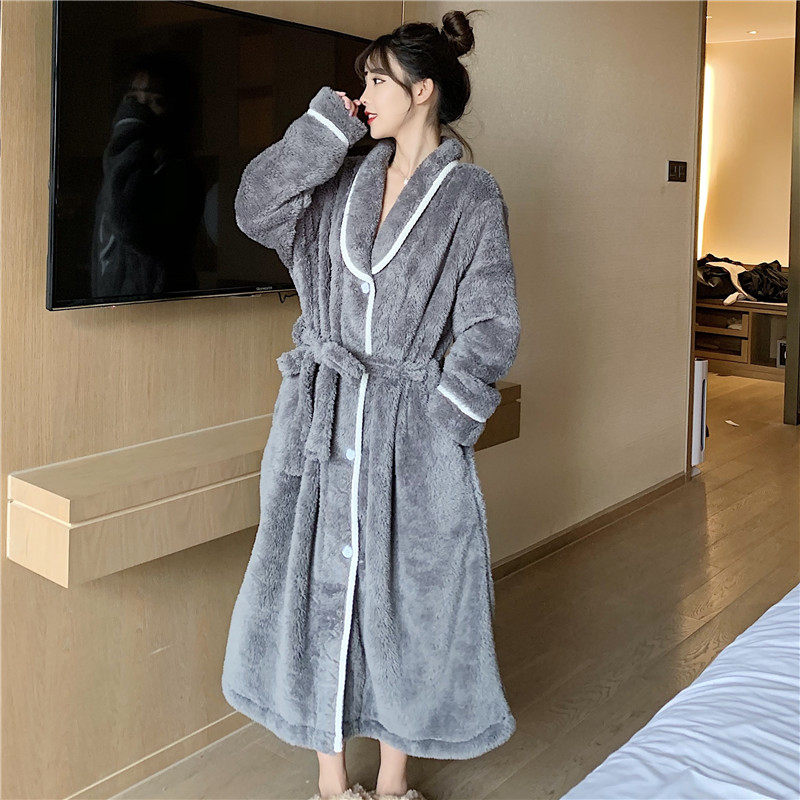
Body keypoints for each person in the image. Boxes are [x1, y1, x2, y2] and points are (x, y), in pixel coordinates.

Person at [221, 10, 521, 800]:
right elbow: (254, 209)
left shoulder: (470, 197)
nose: (363, 94)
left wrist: (448, 416)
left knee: (407, 600)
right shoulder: (340, 178)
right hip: (319, 422)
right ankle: (331, 783)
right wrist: (326, 129)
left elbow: (490, 321)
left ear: (422, 91)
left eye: (377, 80)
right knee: (315, 591)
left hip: (410, 431)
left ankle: (392, 783)